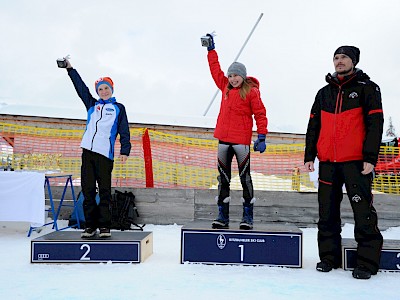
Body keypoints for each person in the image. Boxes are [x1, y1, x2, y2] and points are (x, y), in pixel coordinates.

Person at [304, 46, 384, 279]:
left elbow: (375, 125)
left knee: (363, 212)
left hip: (356, 163)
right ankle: (329, 258)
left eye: (344, 57)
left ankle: (367, 263)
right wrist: (310, 156)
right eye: (336, 58)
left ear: (354, 61)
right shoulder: (323, 93)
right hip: (328, 162)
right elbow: (313, 127)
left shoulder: (368, 89)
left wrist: (370, 157)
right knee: (326, 212)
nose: (339, 61)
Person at [203, 34, 268, 230]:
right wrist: (211, 51)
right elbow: (215, 70)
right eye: (230, 75)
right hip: (223, 141)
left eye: (236, 75)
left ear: (243, 76)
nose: (232, 78)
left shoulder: (251, 91)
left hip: (241, 143)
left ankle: (247, 216)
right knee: (223, 178)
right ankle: (222, 215)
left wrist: (262, 136)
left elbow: (260, 114)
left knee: (244, 177)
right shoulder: (224, 87)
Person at [60, 59, 131, 238]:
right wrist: (70, 69)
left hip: (105, 155)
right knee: (88, 190)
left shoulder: (118, 108)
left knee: (105, 191)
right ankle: (90, 226)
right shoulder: (92, 105)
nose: (104, 91)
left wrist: (125, 150)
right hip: (88, 154)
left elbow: (124, 130)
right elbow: (80, 88)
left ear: (112, 89)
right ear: (97, 92)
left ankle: (105, 226)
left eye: (106, 88)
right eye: (100, 89)